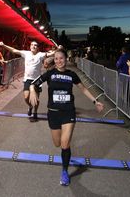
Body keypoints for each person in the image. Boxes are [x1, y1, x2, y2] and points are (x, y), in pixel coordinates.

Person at [29, 49, 104, 186]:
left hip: (68, 112)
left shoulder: (72, 74)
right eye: (56, 59)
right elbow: (34, 83)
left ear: (66, 59)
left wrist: (95, 101)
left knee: (65, 144)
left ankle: (64, 171)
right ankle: (66, 157)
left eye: (61, 58)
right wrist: (33, 90)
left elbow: (83, 89)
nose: (59, 61)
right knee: (57, 143)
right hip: (53, 113)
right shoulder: (50, 74)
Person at [0, 40, 60, 122]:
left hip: (37, 80)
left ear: (37, 48)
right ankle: (30, 107)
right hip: (27, 79)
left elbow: (51, 54)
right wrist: (4, 45)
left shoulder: (40, 55)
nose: (33, 46)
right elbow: (14, 50)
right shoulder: (26, 53)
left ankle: (35, 112)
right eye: (32, 45)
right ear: (30, 46)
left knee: (36, 99)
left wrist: (58, 49)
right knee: (26, 97)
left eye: (35, 45)